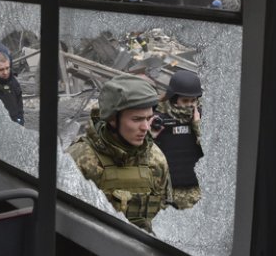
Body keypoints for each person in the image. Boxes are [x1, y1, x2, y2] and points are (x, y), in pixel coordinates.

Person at [67, 73, 172, 232]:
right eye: (137, 119)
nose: (145, 127)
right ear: (112, 120)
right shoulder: (80, 158)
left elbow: (166, 217)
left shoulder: (156, 159)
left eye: (148, 118)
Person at [151, 70, 204, 209]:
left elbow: (214, 153)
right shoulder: (157, 117)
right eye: (185, 100)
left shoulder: (203, 118)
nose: (190, 105)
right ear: (174, 98)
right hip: (166, 196)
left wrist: (197, 125)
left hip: (197, 195)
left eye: (193, 100)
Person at [0, 51, 24, 125]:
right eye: (1, 69)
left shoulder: (13, 81)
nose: (5, 72)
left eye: (7, 68)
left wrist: (20, 121)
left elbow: (19, 102)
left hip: (16, 122)